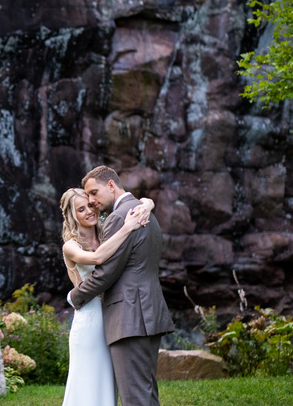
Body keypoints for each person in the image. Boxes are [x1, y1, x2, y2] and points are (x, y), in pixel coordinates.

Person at [69, 166, 175, 406]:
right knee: (146, 393)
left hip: (129, 317)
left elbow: (106, 274)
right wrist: (149, 202)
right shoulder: (144, 211)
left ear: (111, 185)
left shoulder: (120, 217)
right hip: (149, 313)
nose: (92, 201)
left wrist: (74, 297)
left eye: (94, 193)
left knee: (134, 398)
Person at [60, 187, 154, 406]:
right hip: (89, 323)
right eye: (80, 209)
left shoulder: (106, 233)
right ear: (72, 216)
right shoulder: (70, 246)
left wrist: (148, 205)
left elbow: (144, 199)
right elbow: (98, 258)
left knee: (107, 384)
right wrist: (128, 227)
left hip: (113, 316)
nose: (89, 212)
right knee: (88, 383)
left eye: (90, 206)